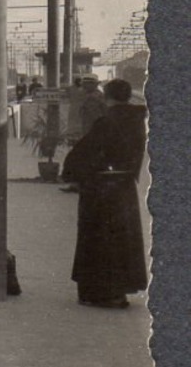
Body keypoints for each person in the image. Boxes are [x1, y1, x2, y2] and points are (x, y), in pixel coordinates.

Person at [60, 78, 148, 309]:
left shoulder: (107, 121)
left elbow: (83, 154)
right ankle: (119, 292)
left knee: (98, 241)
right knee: (122, 241)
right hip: (124, 189)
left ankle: (101, 294)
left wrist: (71, 173)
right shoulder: (138, 120)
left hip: (101, 189)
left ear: (107, 96)